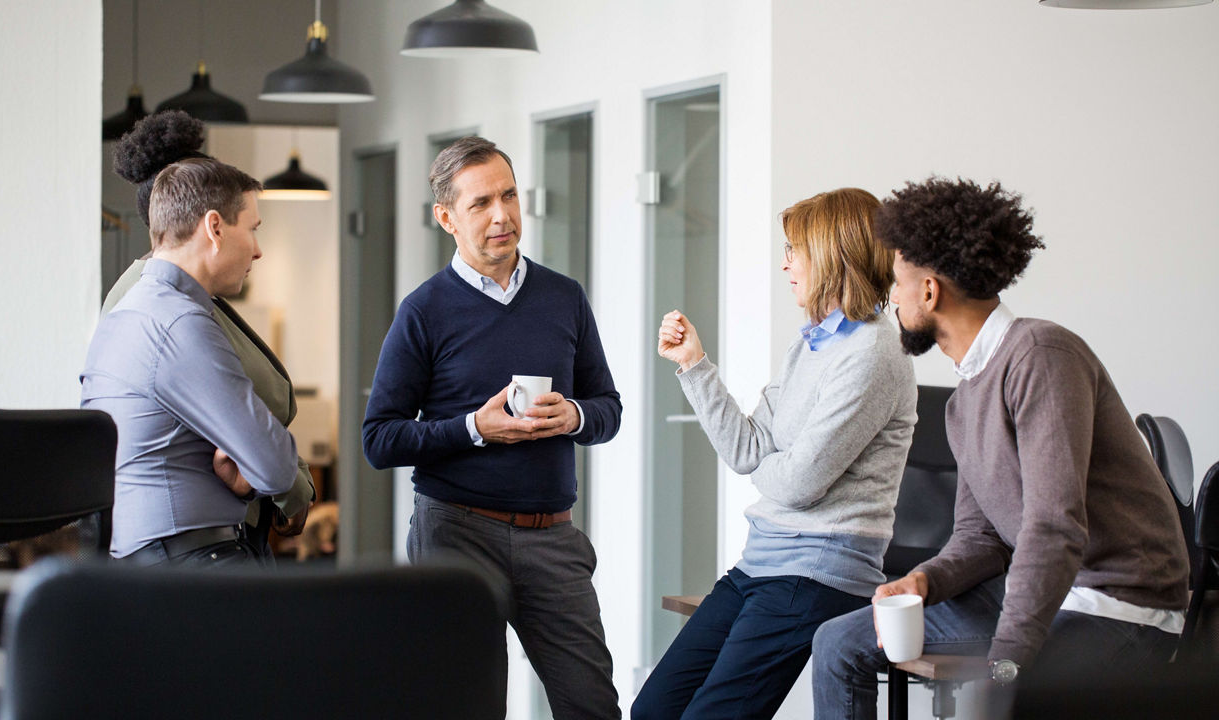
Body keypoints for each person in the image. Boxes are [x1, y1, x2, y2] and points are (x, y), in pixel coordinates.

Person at [811, 177, 1189, 719]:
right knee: (838, 643)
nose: (891, 297)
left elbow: (1054, 526)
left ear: (929, 291)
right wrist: (925, 580)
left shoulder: (1041, 354)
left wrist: (1006, 666)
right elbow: (981, 536)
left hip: (1117, 607)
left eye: (896, 282)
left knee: (999, 699)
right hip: (1040, 596)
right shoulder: (965, 401)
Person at [362, 136, 622, 719]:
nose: (502, 215)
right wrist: (473, 429)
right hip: (456, 536)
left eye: (509, 195)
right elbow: (380, 439)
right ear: (446, 217)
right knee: (468, 707)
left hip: (553, 538)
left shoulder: (564, 298)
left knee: (592, 706)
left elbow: (608, 407)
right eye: (481, 203)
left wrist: (574, 415)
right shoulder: (424, 310)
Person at [632, 188, 917, 720]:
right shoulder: (812, 341)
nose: (785, 263)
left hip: (819, 571)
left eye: (795, 249)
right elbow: (748, 452)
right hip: (762, 561)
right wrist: (694, 365)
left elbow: (800, 484)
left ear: (832, 255)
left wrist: (776, 464)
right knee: (652, 711)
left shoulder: (875, 351)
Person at [105, 111, 315, 561]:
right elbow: (266, 455)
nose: (258, 249)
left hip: (209, 537)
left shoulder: (173, 302)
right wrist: (286, 482)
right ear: (211, 224)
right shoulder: (172, 317)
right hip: (194, 548)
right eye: (252, 228)